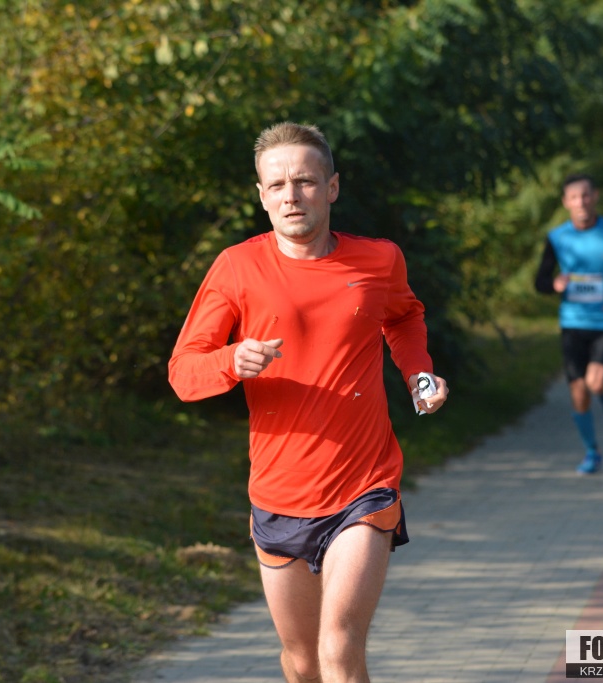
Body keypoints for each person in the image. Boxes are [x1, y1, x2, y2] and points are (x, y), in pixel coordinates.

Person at [168, 121, 448, 682]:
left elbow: (403, 317)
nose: (291, 196)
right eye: (277, 185)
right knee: (302, 662)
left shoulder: (379, 260)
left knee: (339, 649)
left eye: (305, 181)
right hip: (279, 490)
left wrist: (418, 374)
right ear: (261, 196)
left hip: (364, 484)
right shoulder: (237, 267)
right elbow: (183, 373)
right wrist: (232, 360)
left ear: (332, 187)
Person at [535, 174, 603, 475]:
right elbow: (540, 281)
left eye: (585, 195)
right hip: (572, 322)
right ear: (566, 202)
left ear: (595, 196)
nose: (581, 202)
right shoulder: (557, 237)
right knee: (579, 391)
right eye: (574, 197)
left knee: (596, 383)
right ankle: (591, 452)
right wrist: (554, 284)